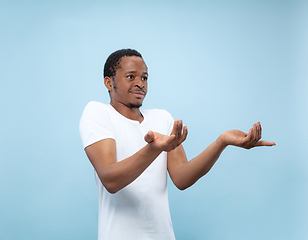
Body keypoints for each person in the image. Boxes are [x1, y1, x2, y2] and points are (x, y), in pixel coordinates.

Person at [79, 49, 275, 240]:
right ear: (108, 82)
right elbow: (110, 180)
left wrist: (221, 142)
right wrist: (154, 148)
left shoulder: (162, 118)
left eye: (144, 78)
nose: (140, 84)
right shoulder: (98, 113)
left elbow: (182, 178)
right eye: (131, 77)